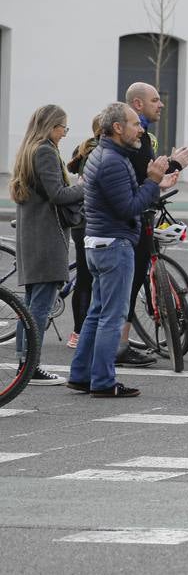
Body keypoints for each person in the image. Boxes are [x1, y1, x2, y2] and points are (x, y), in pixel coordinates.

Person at [68, 103, 170, 398]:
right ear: (117, 128)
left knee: (97, 312)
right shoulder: (112, 160)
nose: (140, 130)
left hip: (100, 243)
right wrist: (153, 180)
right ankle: (102, 380)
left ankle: (80, 375)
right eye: (135, 124)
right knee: (111, 316)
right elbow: (128, 208)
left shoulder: (106, 155)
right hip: (114, 244)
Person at [119, 83, 188, 366]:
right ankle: (117, 346)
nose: (161, 104)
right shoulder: (133, 137)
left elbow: (144, 176)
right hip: (128, 222)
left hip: (138, 216)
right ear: (138, 105)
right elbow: (141, 173)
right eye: (155, 100)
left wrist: (163, 177)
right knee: (126, 285)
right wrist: (172, 164)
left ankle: (117, 344)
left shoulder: (140, 136)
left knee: (132, 280)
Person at [10, 105, 84, 384]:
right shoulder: (45, 151)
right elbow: (58, 194)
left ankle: (24, 362)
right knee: (40, 305)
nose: (65, 133)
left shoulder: (30, 149)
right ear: (51, 126)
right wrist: (84, 186)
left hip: (33, 235)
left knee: (30, 304)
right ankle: (31, 366)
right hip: (46, 237)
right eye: (63, 127)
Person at [64, 118, 102, 349]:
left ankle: (81, 331)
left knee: (85, 277)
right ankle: (79, 332)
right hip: (88, 220)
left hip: (81, 222)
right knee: (87, 279)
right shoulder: (97, 152)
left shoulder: (84, 147)